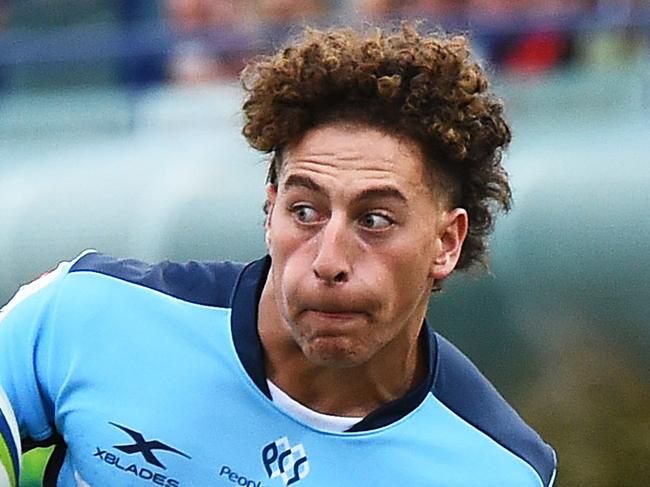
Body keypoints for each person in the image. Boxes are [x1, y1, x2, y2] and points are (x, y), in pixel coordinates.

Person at [0, 22, 557, 486]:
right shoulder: (85, 314)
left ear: (446, 242)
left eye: (375, 220)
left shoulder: (496, 470)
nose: (329, 259)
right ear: (270, 212)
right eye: (306, 211)